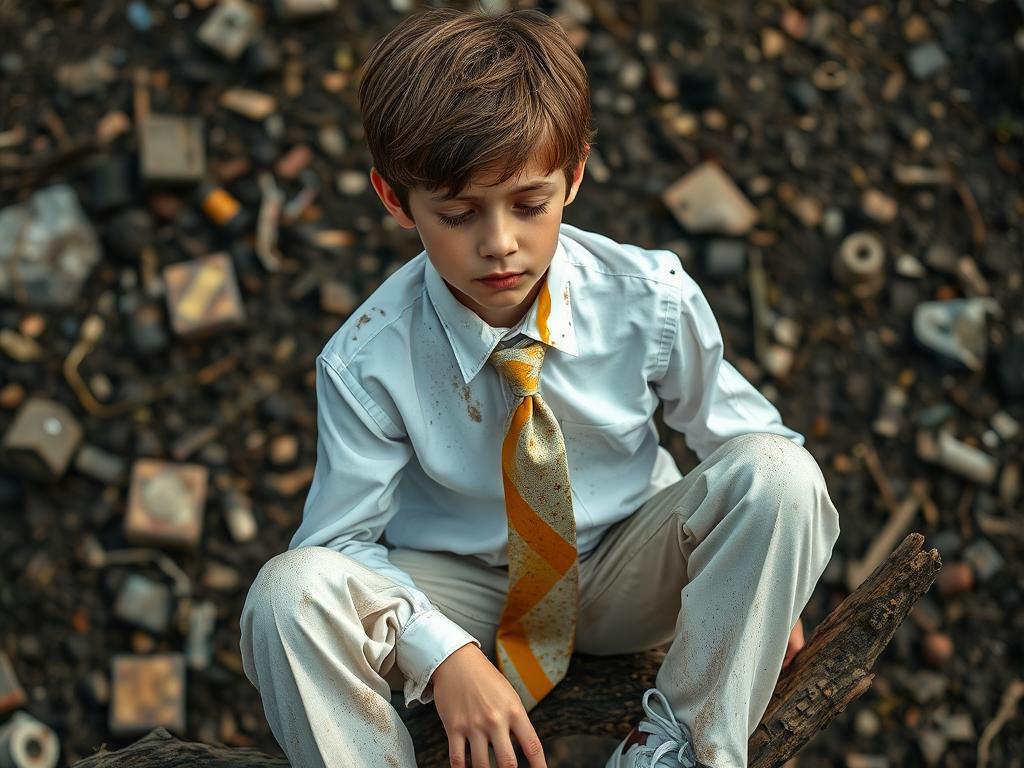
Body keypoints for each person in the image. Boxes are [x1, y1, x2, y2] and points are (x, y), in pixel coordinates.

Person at [240, 7, 840, 768]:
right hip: (469, 590)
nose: (499, 243)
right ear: (395, 200)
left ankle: (681, 752)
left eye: (529, 204)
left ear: (575, 175)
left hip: (627, 565)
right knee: (287, 594)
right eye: (457, 214)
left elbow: (751, 449)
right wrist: (444, 653)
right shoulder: (365, 361)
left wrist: (762, 584)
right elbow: (340, 542)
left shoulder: (648, 298)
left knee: (782, 478)